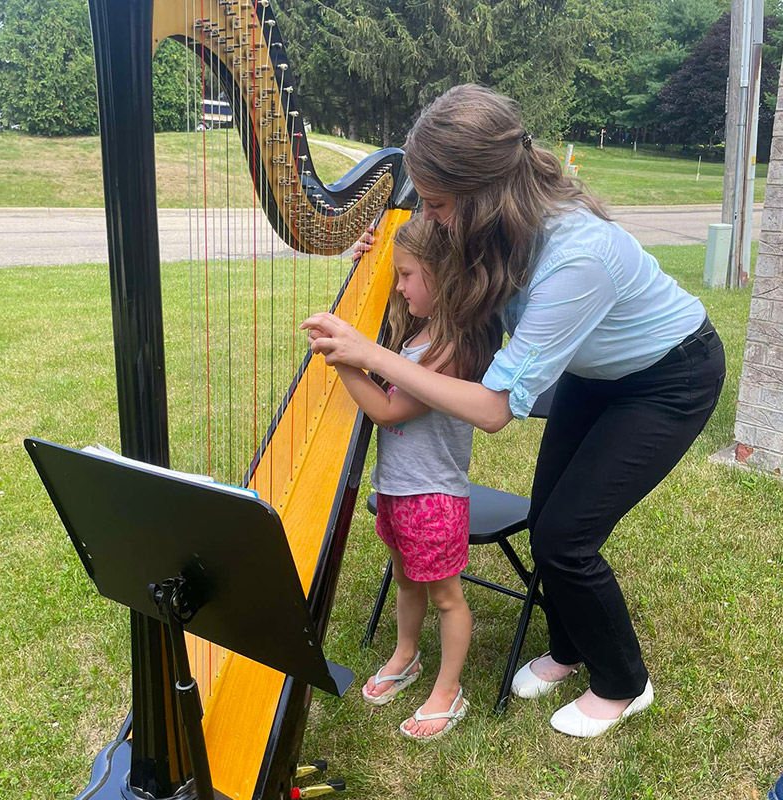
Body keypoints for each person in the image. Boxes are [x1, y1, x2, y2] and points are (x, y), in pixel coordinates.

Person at [302, 84, 726, 738]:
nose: (433, 217)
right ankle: (569, 647)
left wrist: (374, 358)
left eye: (439, 205)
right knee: (550, 520)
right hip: (591, 370)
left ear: (484, 195)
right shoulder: (485, 226)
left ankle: (623, 682)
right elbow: (433, 282)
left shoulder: (576, 255)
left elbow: (495, 410)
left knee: (566, 535)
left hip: (668, 377)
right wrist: (379, 265)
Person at [332, 214, 500, 740]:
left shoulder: (448, 349)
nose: (398, 286)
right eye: (395, 275)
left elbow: (386, 410)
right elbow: (382, 325)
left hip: (433, 497)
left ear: (443, 278)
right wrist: (367, 265)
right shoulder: (417, 330)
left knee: (447, 596)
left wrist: (344, 362)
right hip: (397, 490)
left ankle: (448, 691)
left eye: (406, 276)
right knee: (405, 579)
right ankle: (406, 655)